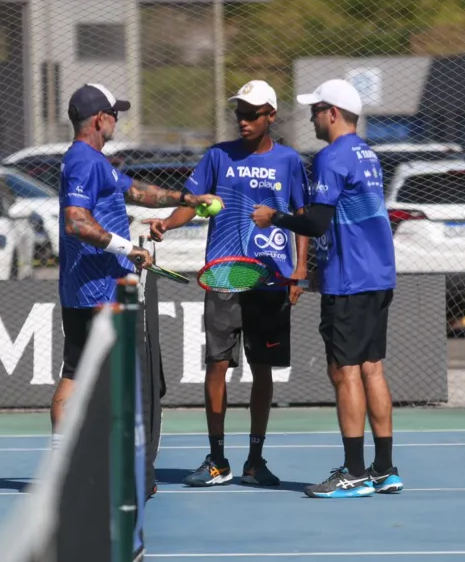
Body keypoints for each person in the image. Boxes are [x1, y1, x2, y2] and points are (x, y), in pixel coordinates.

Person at [143, 79, 310, 488]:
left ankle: (255, 459)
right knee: (217, 365)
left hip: (271, 281)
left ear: (271, 116)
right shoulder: (218, 156)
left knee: (262, 370)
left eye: (252, 113)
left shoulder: (289, 162)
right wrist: (167, 221)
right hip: (222, 276)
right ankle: (217, 459)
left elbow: (303, 218)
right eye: (239, 112)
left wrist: (300, 269)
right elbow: (194, 203)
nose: (244, 120)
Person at [251, 79, 401, 499]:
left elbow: (316, 222)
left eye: (316, 110)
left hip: (351, 281)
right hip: (378, 275)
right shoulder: (367, 154)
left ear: (333, 113)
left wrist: (273, 218)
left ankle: (354, 472)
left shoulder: (331, 157)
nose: (313, 117)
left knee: (345, 371)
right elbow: (345, 221)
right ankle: (384, 468)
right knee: (372, 367)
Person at [50, 83, 220, 450]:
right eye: (115, 114)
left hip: (95, 289)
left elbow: (138, 192)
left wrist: (188, 198)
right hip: (97, 291)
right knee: (102, 379)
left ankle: (73, 461)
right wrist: (128, 249)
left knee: (80, 373)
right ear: (100, 119)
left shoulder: (96, 163)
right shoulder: (82, 160)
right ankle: (91, 462)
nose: (117, 121)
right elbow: (75, 222)